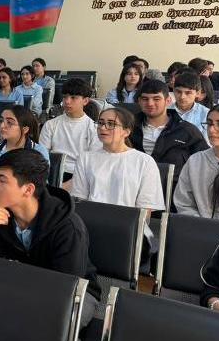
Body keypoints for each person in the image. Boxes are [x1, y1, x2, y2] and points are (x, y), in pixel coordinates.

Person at [0, 148, 101, 341]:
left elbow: (65, 290)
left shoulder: (68, 228)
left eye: (2, 179)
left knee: (39, 327)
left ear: (28, 189)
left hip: (76, 295)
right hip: (20, 288)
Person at [71, 107, 165, 255]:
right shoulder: (86, 158)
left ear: (126, 131)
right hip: (91, 226)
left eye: (111, 124)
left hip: (129, 230)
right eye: (100, 123)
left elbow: (144, 212)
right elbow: (80, 201)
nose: (103, 128)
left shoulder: (144, 161)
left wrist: (120, 228)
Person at [130, 79, 207, 184]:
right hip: (133, 185)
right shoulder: (127, 128)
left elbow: (204, 163)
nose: (150, 103)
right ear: (139, 101)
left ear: (168, 101)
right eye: (145, 99)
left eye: (156, 99)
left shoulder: (187, 131)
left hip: (174, 189)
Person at [39, 78, 102, 181]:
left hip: (80, 176)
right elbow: (42, 156)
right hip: (52, 172)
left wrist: (72, 183)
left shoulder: (93, 128)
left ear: (85, 101)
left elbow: (93, 164)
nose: (67, 102)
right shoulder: (50, 124)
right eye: (65, 97)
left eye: (73, 98)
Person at [174, 105, 219, 218]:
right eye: (209, 123)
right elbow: (184, 203)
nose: (211, 130)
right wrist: (201, 224)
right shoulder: (195, 161)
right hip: (198, 226)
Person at [0, 105, 49, 183]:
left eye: (9, 122)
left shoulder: (39, 152)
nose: (2, 126)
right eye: (1, 121)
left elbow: (38, 185)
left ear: (25, 129)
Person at [171, 70, 210, 136]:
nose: (182, 97)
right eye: (178, 92)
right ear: (173, 90)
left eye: (188, 93)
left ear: (198, 93)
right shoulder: (164, 111)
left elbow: (207, 140)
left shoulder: (206, 114)